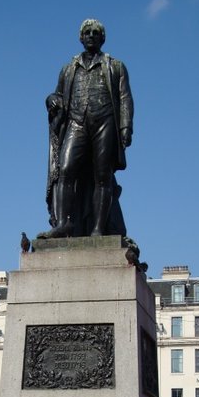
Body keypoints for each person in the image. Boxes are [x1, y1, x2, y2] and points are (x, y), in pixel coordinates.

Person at [42, 19, 134, 239]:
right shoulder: (68, 69)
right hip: (76, 121)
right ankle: (64, 224)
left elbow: (125, 98)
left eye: (95, 32)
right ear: (81, 38)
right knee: (65, 169)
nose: (91, 35)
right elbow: (58, 95)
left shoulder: (116, 66)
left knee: (102, 175)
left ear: (102, 38)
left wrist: (125, 126)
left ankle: (98, 230)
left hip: (105, 121)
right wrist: (50, 99)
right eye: (87, 32)